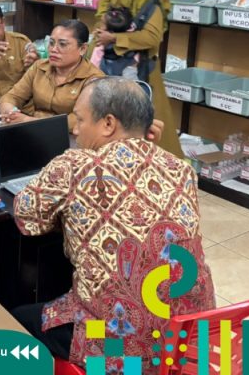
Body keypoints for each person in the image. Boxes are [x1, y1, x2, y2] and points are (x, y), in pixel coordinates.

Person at [12, 77, 214, 369]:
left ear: (108, 123)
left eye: (80, 120)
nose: (76, 130)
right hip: (189, 340)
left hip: (121, 347)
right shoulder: (182, 169)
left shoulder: (73, 166)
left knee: (15, 319)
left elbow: (26, 217)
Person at [93, 0, 183, 157]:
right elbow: (102, 20)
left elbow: (151, 38)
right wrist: (102, 28)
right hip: (108, 68)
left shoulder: (152, 0)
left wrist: (114, 37)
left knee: (141, 129)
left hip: (140, 75)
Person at [0, 20, 103, 130]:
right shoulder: (39, 67)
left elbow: (80, 120)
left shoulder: (95, 80)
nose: (53, 49)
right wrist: (12, 114)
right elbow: (12, 96)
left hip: (70, 137)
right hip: (33, 132)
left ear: (82, 49)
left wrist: (27, 121)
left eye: (62, 44)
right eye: (51, 43)